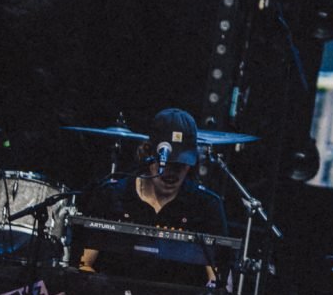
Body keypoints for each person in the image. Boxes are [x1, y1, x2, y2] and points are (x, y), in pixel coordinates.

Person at [74, 110, 230, 284]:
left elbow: (218, 281)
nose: (172, 173)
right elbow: (83, 264)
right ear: (148, 153)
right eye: (167, 163)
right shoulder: (113, 194)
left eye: (181, 165)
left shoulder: (206, 205)